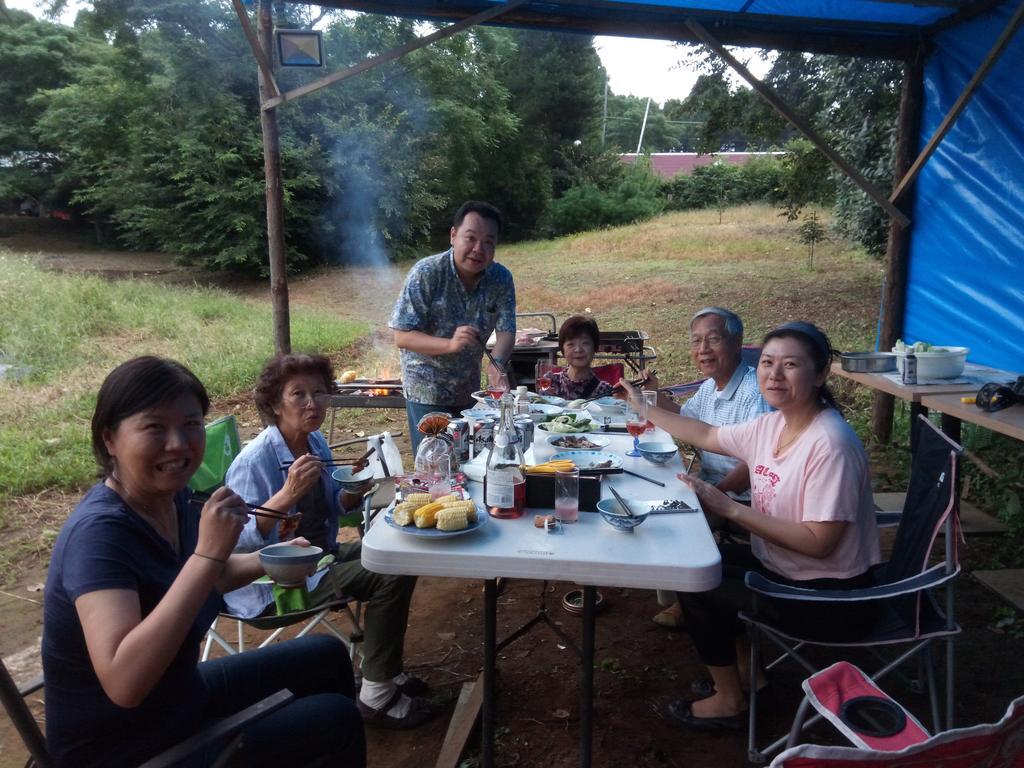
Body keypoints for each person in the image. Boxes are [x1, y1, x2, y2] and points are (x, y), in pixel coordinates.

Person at [42, 356, 365, 768]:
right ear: (110, 439)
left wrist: (272, 561)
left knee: (325, 656)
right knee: (335, 720)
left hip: (178, 696)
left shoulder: (172, 499)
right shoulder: (100, 534)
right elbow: (124, 682)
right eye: (154, 427)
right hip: (129, 745)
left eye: (191, 424)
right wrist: (209, 553)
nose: (178, 443)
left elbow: (206, 578)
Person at [620, 322, 880, 732]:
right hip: (783, 569)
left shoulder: (830, 444)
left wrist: (731, 509)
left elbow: (820, 544)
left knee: (697, 580)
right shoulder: (775, 424)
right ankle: (750, 678)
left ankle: (729, 702)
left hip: (828, 597)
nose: (774, 375)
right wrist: (645, 408)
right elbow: (706, 433)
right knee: (697, 560)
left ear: (821, 373)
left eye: (790, 365)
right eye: (767, 364)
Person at [223, 353, 430, 729]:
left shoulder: (314, 442)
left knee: (402, 555)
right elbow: (235, 542)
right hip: (274, 581)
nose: (311, 403)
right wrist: (286, 495)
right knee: (388, 576)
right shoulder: (254, 461)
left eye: (319, 393)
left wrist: (351, 492)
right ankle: (376, 695)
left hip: (321, 555)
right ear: (274, 404)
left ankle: (384, 670)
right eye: (297, 394)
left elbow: (332, 505)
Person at [646, 307, 770, 629]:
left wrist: (721, 493)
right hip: (713, 484)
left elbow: (757, 459)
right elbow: (685, 420)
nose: (703, 349)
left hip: (747, 497)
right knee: (653, 493)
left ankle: (690, 597)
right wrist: (652, 393)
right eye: (696, 341)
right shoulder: (712, 386)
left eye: (713, 340)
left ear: (736, 342)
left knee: (671, 519)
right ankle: (681, 594)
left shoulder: (752, 392)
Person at [390, 201, 516, 452]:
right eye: (470, 238)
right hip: (426, 388)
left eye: (488, 242)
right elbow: (402, 336)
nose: (478, 249)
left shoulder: (501, 279)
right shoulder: (426, 273)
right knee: (435, 464)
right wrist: (449, 344)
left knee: (468, 460)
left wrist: (497, 363)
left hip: (468, 390)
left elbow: (506, 329)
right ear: (453, 235)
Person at [548, 315, 618, 401]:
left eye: (585, 343)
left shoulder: (604, 390)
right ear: (563, 349)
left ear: (595, 347)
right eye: (571, 344)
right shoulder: (550, 382)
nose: (578, 350)